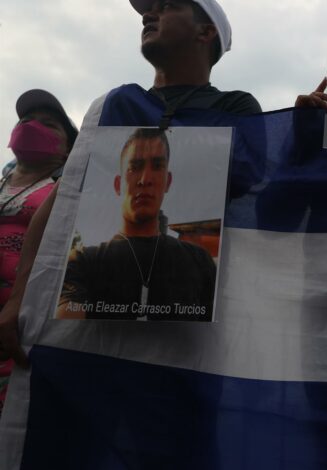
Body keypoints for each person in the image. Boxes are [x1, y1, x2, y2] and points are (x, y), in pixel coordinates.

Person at [0, 0, 260, 365]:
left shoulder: (237, 108)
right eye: (146, 11)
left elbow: (259, 194)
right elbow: (62, 201)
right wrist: (18, 299)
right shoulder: (116, 105)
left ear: (206, 32)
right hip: (99, 348)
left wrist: (303, 129)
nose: (149, 15)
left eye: (167, 6)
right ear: (119, 183)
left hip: (191, 350)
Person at [56, 128, 216, 320]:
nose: (145, 179)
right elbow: (66, 324)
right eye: (135, 167)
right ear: (118, 184)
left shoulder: (200, 262)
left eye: (157, 166)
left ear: (168, 181)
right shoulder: (82, 262)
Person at [0, 89, 78, 416]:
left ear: (67, 148)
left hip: (24, 323)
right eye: (25, 120)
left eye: (48, 124)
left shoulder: (67, 191)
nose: (32, 125)